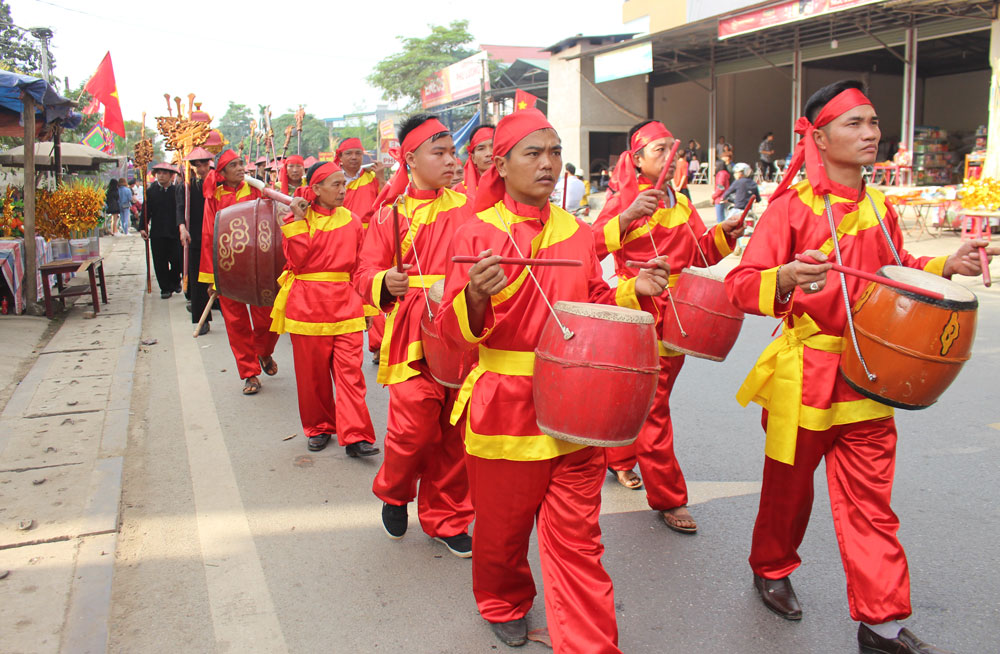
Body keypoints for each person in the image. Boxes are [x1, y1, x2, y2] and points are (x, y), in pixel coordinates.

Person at [725, 79, 996, 654]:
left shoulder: (881, 206)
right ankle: (771, 567)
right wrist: (786, 280)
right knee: (788, 492)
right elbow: (741, 286)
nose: (871, 133)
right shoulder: (789, 210)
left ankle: (883, 625)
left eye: (874, 123)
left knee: (872, 504)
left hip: (872, 374)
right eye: (856, 123)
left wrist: (949, 260)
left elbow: (899, 270)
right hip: (805, 375)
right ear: (818, 137)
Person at [435, 108, 671, 652]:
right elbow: (451, 331)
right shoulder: (475, 232)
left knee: (579, 539)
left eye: (556, 152)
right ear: (501, 164)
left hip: (577, 404)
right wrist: (474, 294)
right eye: (533, 153)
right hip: (505, 406)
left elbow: (595, 306)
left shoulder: (580, 233)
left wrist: (637, 291)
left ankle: (590, 643)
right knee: (502, 529)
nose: (548, 164)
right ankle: (503, 599)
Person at [592, 119, 745, 534]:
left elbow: (700, 251)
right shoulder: (625, 198)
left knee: (645, 399)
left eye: (671, 149)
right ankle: (669, 496)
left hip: (681, 313)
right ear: (637, 159)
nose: (669, 157)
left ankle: (619, 458)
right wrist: (624, 219)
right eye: (658, 150)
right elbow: (587, 246)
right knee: (654, 406)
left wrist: (724, 235)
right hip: (640, 310)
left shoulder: (677, 199)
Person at [354, 114, 474, 558]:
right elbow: (363, 271)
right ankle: (394, 489)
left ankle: (447, 516)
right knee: (413, 429)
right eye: (438, 153)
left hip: (460, 327)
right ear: (411, 159)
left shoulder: (468, 208)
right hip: (410, 333)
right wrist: (386, 281)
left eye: (452, 152)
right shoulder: (391, 214)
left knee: (454, 429)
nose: (450, 161)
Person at [273, 161, 379, 457]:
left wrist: (368, 309)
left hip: (346, 305)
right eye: (336, 185)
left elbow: (361, 267)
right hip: (307, 306)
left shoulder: (353, 220)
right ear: (316, 189)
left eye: (344, 184)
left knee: (351, 375)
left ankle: (356, 434)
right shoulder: (298, 219)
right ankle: (319, 427)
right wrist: (295, 220)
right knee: (312, 376)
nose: (343, 190)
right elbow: (298, 261)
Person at [199, 149, 280, 396]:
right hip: (228, 268)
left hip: (259, 267)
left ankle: (264, 351)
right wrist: (212, 278)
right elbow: (208, 236)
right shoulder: (214, 197)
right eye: (233, 165)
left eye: (240, 163)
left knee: (268, 319)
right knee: (236, 323)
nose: (240, 168)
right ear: (222, 173)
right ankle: (249, 373)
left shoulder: (255, 189)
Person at [177, 147, 214, 335]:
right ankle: (202, 317)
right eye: (196, 165)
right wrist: (182, 227)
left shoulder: (219, 183)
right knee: (198, 278)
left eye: (203, 164)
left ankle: (222, 307)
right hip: (196, 237)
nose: (200, 168)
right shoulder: (186, 186)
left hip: (217, 237)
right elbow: (180, 208)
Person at [142, 163, 183, 299]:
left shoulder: (177, 190)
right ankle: (165, 288)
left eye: (164, 173)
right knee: (160, 262)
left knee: (178, 260)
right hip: (158, 232)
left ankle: (175, 280)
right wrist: (143, 227)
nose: (161, 176)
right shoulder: (150, 191)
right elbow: (146, 211)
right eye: (159, 173)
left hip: (175, 231)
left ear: (171, 176)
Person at [337, 138, 384, 226]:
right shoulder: (332, 179)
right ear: (340, 156)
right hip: (342, 232)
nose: (354, 157)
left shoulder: (373, 177)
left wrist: (381, 178)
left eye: (358, 153)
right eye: (348, 153)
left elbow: (387, 204)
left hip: (370, 233)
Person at [452, 124, 494, 202]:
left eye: (493, 146)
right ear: (473, 158)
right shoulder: (458, 192)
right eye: (481, 149)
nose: (489, 153)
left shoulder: (515, 188)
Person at [712, 154, 732, 223]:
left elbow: (720, 187)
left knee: (720, 220)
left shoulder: (721, 174)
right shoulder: (725, 173)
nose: (714, 167)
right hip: (724, 197)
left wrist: (713, 196)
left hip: (720, 198)